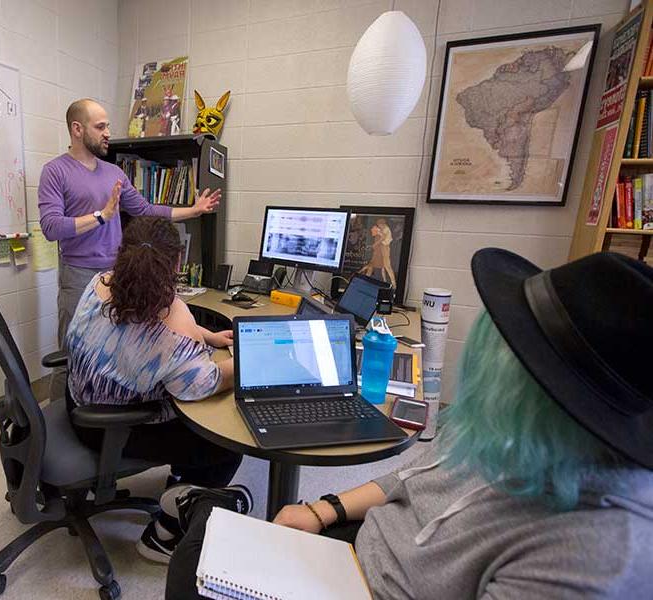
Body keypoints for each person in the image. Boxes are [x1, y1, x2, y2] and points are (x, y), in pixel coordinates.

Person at [165, 249, 653, 599]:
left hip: (363, 584)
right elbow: (414, 476)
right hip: (353, 550)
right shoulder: (515, 433)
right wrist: (322, 509)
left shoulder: (597, 560)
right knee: (205, 541)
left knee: (194, 571)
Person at [64, 216, 242, 564]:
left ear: (122, 253)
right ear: (177, 263)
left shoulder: (99, 282)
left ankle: (178, 483)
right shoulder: (171, 329)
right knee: (224, 443)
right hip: (114, 427)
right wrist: (253, 360)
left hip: (78, 402)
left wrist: (205, 336)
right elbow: (203, 383)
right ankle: (164, 533)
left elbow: (139, 331)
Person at [38, 98, 221, 347]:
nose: (108, 134)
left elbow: (145, 210)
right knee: (73, 351)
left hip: (116, 274)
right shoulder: (55, 171)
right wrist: (101, 216)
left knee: (113, 347)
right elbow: (52, 228)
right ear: (77, 129)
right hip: (78, 276)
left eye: (108, 127)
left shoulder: (114, 173)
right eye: (100, 127)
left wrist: (193, 210)